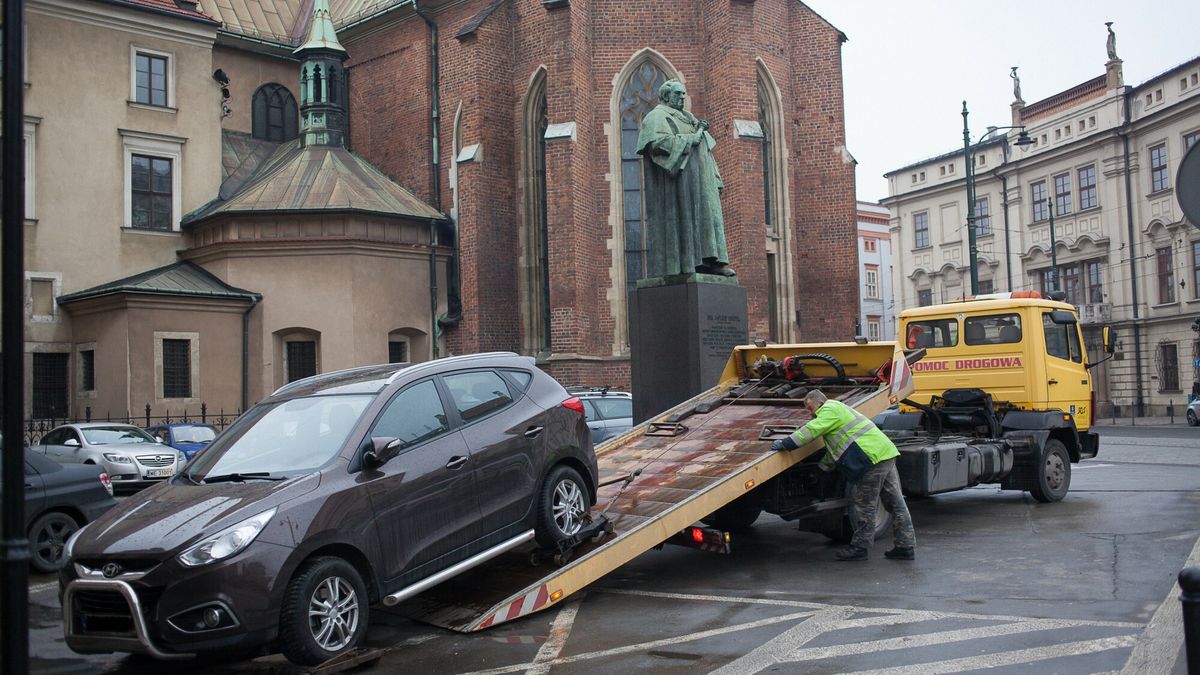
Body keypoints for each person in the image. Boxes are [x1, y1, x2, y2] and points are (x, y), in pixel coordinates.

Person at [771, 389, 916, 561]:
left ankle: (860, 548)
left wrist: (786, 443)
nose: (811, 414)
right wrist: (821, 470)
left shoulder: (829, 409)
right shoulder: (839, 410)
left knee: (864, 506)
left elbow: (811, 430)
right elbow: (836, 450)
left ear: (820, 402)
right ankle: (905, 546)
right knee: (895, 503)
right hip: (884, 453)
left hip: (871, 460)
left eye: (811, 408)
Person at [637, 79, 735, 278]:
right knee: (688, 221)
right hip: (680, 186)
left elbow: (706, 149)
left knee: (709, 220)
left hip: (702, 181)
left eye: (683, 94)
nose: (682, 97)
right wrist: (690, 139)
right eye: (678, 94)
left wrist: (715, 176)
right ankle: (691, 263)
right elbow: (657, 145)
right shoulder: (657, 117)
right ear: (666, 96)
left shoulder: (690, 118)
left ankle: (711, 262)